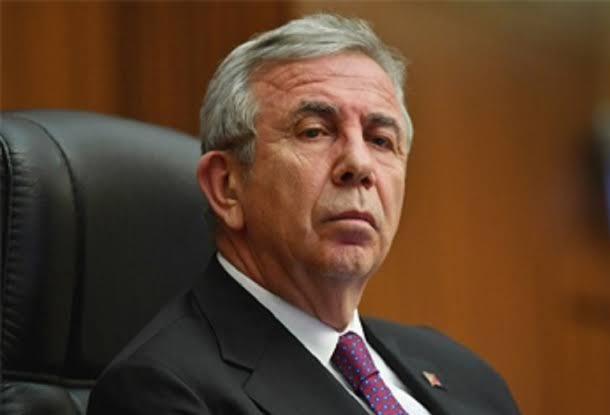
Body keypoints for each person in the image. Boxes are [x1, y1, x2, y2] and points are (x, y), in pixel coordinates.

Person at [88, 14, 519, 415]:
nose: (359, 164)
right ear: (227, 187)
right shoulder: (161, 390)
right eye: (314, 132)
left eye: (380, 140)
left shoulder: (467, 375)